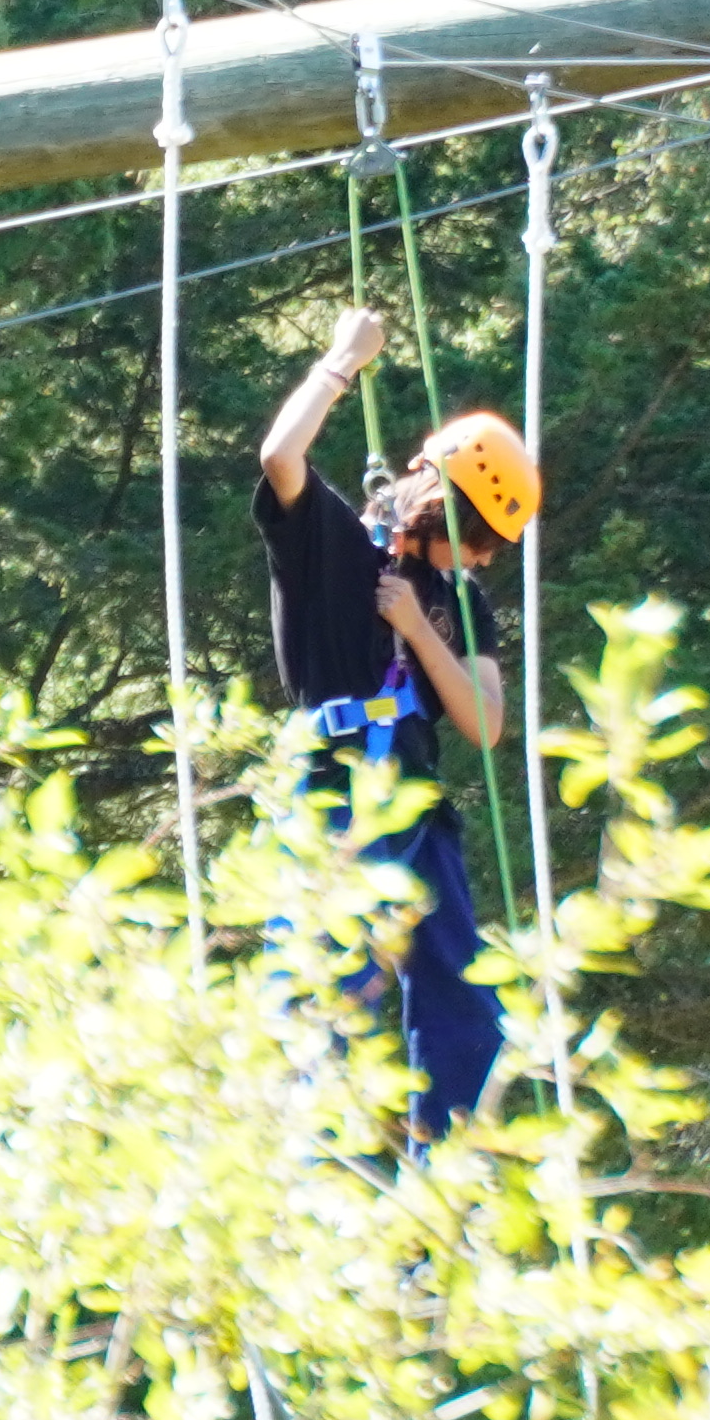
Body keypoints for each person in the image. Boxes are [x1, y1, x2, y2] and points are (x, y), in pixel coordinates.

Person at [251, 300, 542, 1136]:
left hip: (417, 814)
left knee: (463, 1003)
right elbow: (281, 455)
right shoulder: (336, 547)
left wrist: (420, 632)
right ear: (451, 508)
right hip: (335, 797)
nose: (485, 560)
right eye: (483, 541)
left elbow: (486, 723)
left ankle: (448, 1183)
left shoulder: (458, 602)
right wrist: (342, 360)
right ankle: (315, 1184)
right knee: (321, 994)